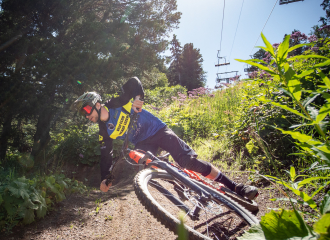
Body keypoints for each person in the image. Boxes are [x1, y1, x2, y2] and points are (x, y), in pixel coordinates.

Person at [71, 77, 258, 200]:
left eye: (86, 110)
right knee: (147, 165)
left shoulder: (117, 103)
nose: (87, 116)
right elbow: (106, 154)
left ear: (96, 104)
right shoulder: (103, 130)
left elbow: (134, 82)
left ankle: (236, 188)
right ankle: (180, 182)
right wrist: (105, 178)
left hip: (158, 129)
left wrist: (138, 98)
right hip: (143, 143)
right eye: (83, 114)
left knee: (188, 161)